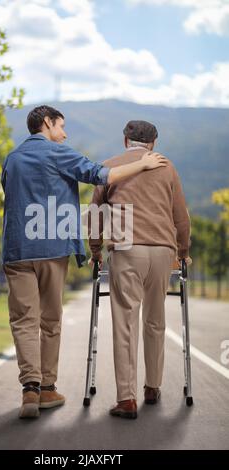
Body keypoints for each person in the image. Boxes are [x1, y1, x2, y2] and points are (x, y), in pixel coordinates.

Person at [1, 106, 167, 419]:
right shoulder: (59, 153)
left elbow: (11, 195)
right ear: (47, 123)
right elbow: (101, 175)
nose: (64, 134)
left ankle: (30, 391)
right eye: (61, 126)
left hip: (17, 248)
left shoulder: (11, 158)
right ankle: (48, 387)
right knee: (50, 319)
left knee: (23, 319)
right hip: (52, 246)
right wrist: (142, 164)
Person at [88, 120, 191, 419]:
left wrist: (95, 251)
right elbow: (180, 216)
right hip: (162, 251)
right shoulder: (166, 167)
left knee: (125, 324)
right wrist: (182, 252)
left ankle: (126, 399)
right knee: (155, 321)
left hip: (126, 250)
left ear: (125, 140)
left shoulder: (109, 167)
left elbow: (95, 214)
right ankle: (152, 387)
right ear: (153, 143)